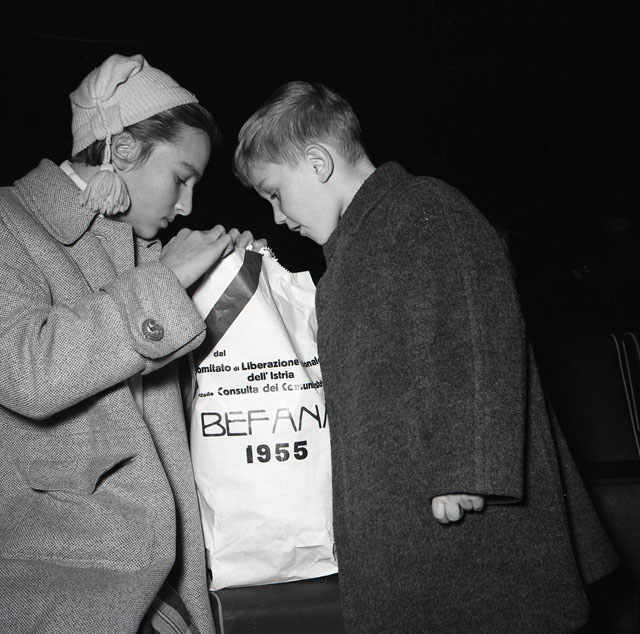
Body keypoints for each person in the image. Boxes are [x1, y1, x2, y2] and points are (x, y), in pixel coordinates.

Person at [232, 81, 620, 634]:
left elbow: (476, 327)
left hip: (456, 506)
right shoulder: (355, 247)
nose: (276, 216)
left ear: (317, 162)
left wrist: (466, 468)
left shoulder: (422, 207)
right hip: (408, 506)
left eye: (274, 193)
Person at [0, 53, 262, 634]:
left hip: (170, 591)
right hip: (58, 590)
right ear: (121, 150)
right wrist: (165, 282)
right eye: (182, 177)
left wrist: (231, 297)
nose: (187, 205)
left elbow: (180, 419)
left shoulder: (142, 252)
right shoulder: (7, 224)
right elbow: (27, 370)